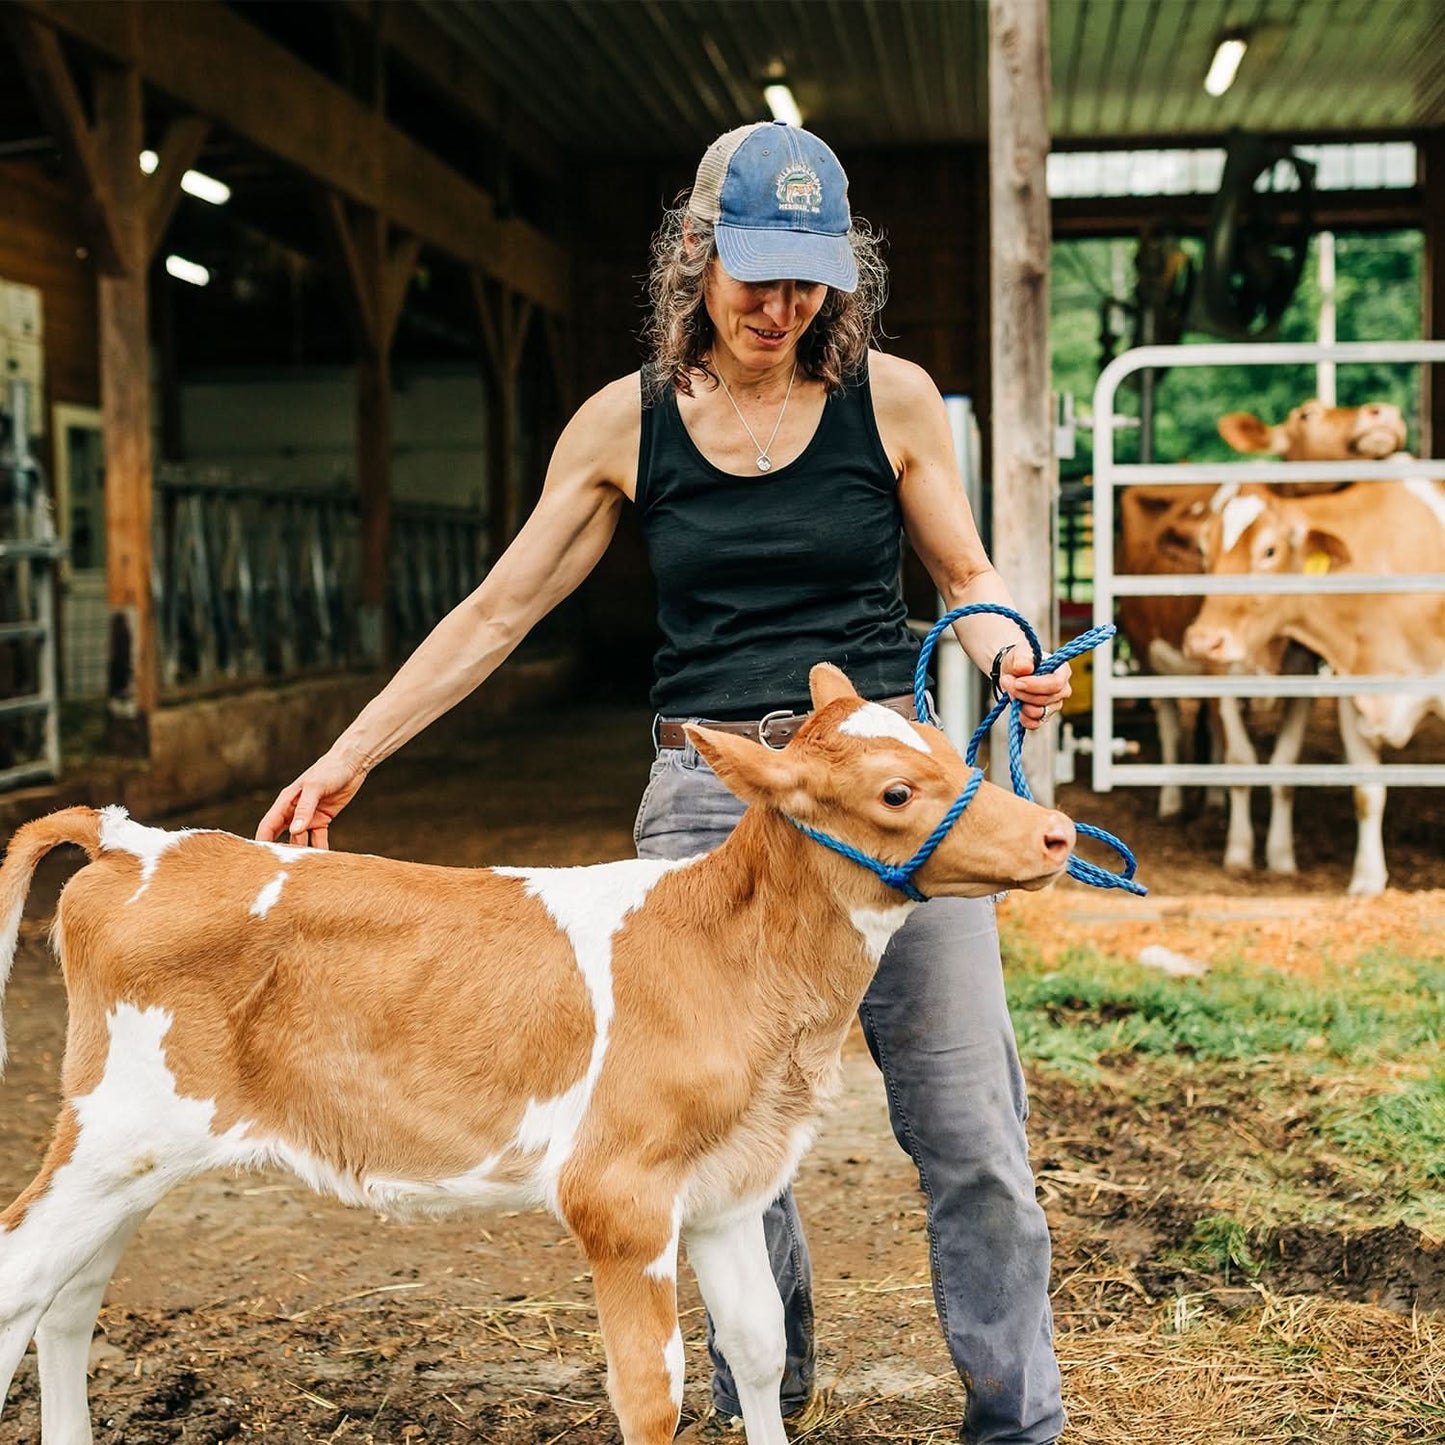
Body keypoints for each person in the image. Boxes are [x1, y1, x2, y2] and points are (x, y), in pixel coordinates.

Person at [258, 120, 1070, 1445]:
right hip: (712, 796)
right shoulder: (622, 423)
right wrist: (350, 752)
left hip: (890, 800)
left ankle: (1017, 1420)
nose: (780, 307)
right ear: (695, 255)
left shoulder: (894, 400)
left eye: (808, 280)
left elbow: (965, 578)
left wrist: (1010, 652)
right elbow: (496, 611)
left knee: (970, 1125)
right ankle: (770, 1401)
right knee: (725, 1137)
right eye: (755, 274)